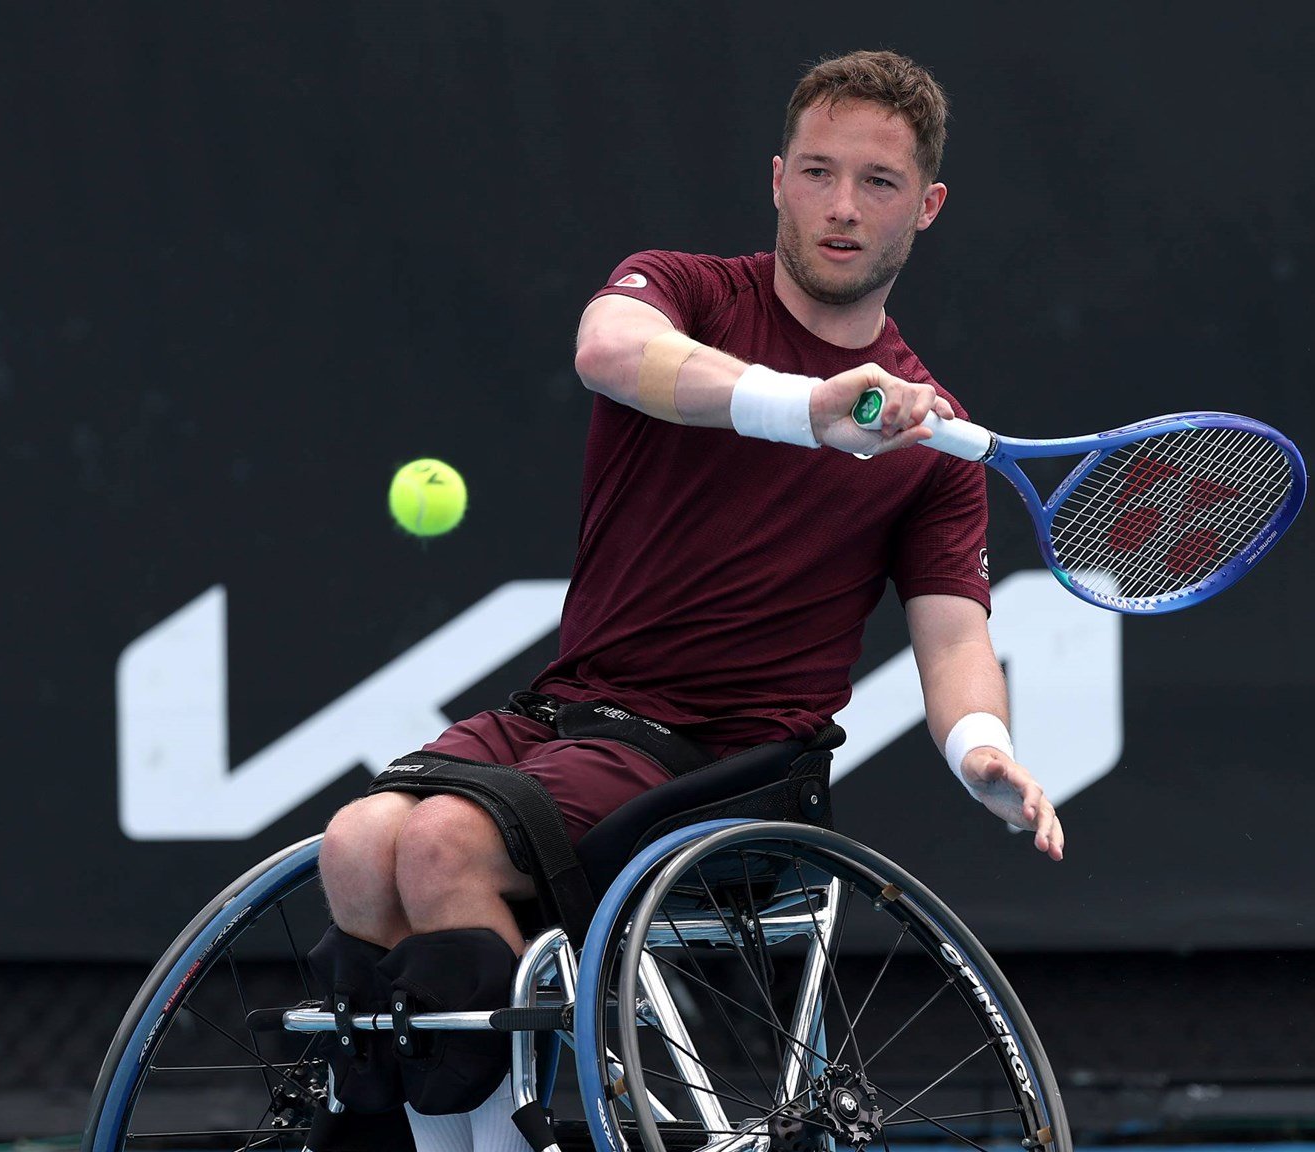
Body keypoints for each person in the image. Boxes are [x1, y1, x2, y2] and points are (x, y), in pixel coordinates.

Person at [310, 49, 1066, 1152]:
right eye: (816, 173)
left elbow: (952, 639)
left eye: (877, 182)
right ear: (775, 179)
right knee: (356, 841)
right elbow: (610, 351)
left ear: (927, 207)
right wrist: (805, 406)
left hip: (726, 757)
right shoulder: (682, 291)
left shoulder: (931, 443)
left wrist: (981, 752)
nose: (841, 208)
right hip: (573, 711)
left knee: (435, 850)